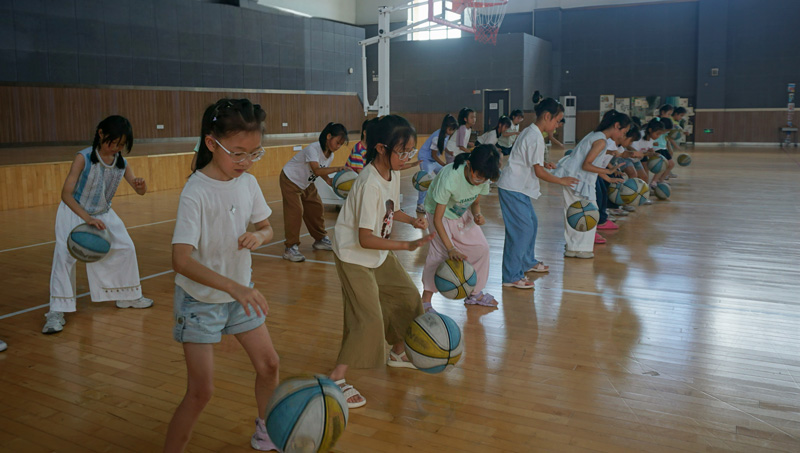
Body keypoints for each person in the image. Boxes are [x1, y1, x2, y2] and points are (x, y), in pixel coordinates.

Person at [164, 98, 280, 452]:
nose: (246, 162)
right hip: (200, 303)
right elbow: (180, 260)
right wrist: (235, 288)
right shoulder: (196, 191)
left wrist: (259, 236)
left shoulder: (247, 184)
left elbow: (267, 227)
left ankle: (265, 430)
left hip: (238, 296)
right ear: (211, 143)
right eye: (238, 153)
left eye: (254, 153)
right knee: (201, 392)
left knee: (270, 365)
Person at [329, 115, 433, 409]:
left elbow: (392, 210)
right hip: (353, 255)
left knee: (406, 295)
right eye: (403, 151)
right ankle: (337, 378)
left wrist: (412, 219)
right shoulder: (368, 183)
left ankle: (398, 352)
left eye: (411, 151)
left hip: (377, 252)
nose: (407, 157)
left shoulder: (392, 171)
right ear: (381, 148)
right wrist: (406, 244)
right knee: (368, 315)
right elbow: (364, 238)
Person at [43, 115, 153, 335]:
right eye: (113, 143)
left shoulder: (121, 162)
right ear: (101, 134)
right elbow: (66, 195)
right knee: (64, 258)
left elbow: (140, 191)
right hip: (74, 212)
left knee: (126, 248)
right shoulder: (83, 158)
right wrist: (87, 218)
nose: (117, 148)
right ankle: (56, 312)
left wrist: (141, 186)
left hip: (103, 213)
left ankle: (126, 296)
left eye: (122, 145)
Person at [496, 98, 578, 288]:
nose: (558, 125)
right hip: (512, 188)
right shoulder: (534, 136)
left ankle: (526, 262)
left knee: (531, 224)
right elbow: (539, 172)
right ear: (547, 116)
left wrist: (544, 164)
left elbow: (532, 163)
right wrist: (561, 181)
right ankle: (511, 276)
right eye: (557, 121)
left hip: (520, 188)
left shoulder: (532, 132)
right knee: (521, 231)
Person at [421, 145, 501, 311]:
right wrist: (450, 248)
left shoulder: (483, 177)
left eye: (485, 178)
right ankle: (425, 300)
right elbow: (437, 219)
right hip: (439, 213)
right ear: (469, 165)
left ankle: (475, 293)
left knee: (482, 248)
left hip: (460, 211)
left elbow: (476, 202)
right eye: (479, 176)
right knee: (439, 254)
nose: (481, 180)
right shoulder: (451, 177)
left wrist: (477, 215)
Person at [553, 110, 629, 258]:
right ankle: (580, 249)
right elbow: (586, 165)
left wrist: (609, 178)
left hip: (575, 178)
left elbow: (591, 165)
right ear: (617, 125)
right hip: (577, 180)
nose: (622, 136)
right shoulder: (600, 141)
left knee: (574, 213)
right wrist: (608, 172)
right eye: (624, 132)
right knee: (588, 213)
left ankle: (573, 248)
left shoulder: (596, 136)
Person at [280, 122, 347, 262]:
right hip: (291, 179)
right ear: (329, 136)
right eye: (337, 142)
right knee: (295, 212)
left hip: (307, 183)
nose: (338, 146)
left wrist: (328, 180)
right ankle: (290, 248)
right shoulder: (313, 148)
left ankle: (320, 240)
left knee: (316, 208)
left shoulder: (330, 155)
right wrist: (336, 169)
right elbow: (316, 169)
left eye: (341, 144)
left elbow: (321, 169)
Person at [416, 114, 458, 213]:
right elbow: (434, 155)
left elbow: (443, 146)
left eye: (453, 130)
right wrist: (444, 165)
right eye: (450, 129)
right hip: (426, 159)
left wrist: (448, 151)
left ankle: (440, 197)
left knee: (445, 174)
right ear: (445, 127)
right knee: (424, 180)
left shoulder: (446, 135)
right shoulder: (437, 136)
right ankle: (420, 204)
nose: (452, 132)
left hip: (433, 160)